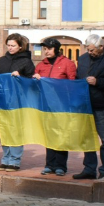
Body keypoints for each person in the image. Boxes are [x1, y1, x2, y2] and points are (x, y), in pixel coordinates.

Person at [74, 35, 104, 180]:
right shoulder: (82, 59)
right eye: (88, 50)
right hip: (86, 106)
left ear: (101, 47)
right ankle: (89, 168)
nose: (89, 53)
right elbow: (77, 78)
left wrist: (98, 82)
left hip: (103, 106)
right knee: (87, 138)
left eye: (92, 50)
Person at [0, 33, 35, 171]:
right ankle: (5, 158)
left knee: (16, 131)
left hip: (18, 102)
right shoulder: (1, 60)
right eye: (8, 45)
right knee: (4, 130)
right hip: (2, 100)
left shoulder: (26, 62)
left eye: (13, 46)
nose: (10, 48)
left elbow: (31, 83)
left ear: (20, 46)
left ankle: (15, 161)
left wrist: (21, 77)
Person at [35, 38, 77, 176]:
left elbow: (72, 85)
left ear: (56, 49)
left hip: (62, 106)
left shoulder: (67, 64)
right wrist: (34, 79)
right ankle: (50, 164)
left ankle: (60, 165)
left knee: (61, 135)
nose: (46, 51)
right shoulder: (41, 65)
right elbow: (35, 87)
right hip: (46, 106)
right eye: (44, 49)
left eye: (49, 48)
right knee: (49, 135)